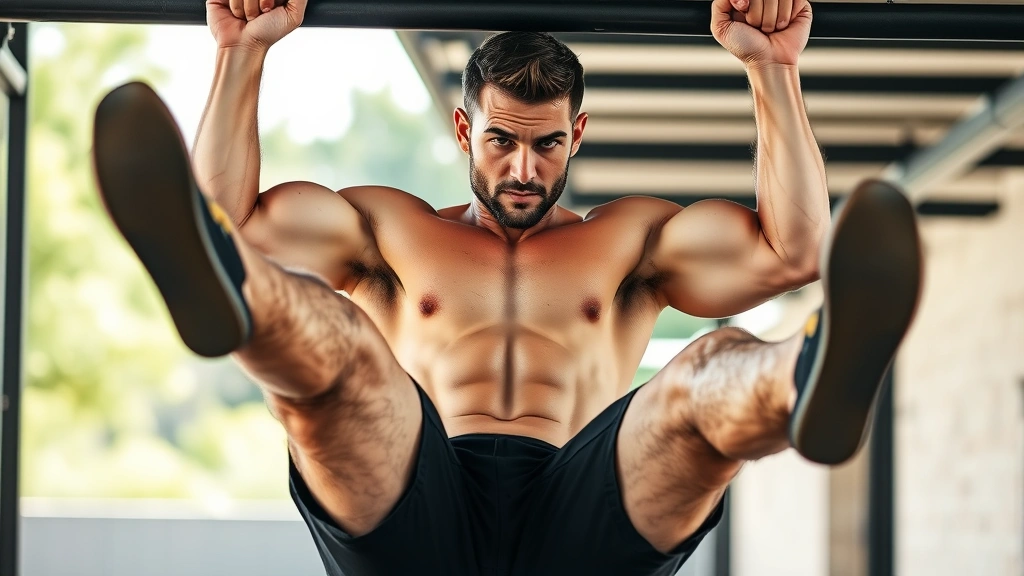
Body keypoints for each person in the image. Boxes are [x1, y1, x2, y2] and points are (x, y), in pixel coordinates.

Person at [90, 0, 922, 573]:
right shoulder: (394, 230)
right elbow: (221, 212)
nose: (525, 169)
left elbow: (798, 248)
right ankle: (232, 301)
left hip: (581, 502)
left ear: (578, 133)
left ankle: (805, 377)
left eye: (549, 145)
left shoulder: (626, 242)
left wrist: (772, 70)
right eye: (501, 141)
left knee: (709, 370)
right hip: (418, 491)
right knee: (339, 351)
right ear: (464, 129)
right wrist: (242, 51)